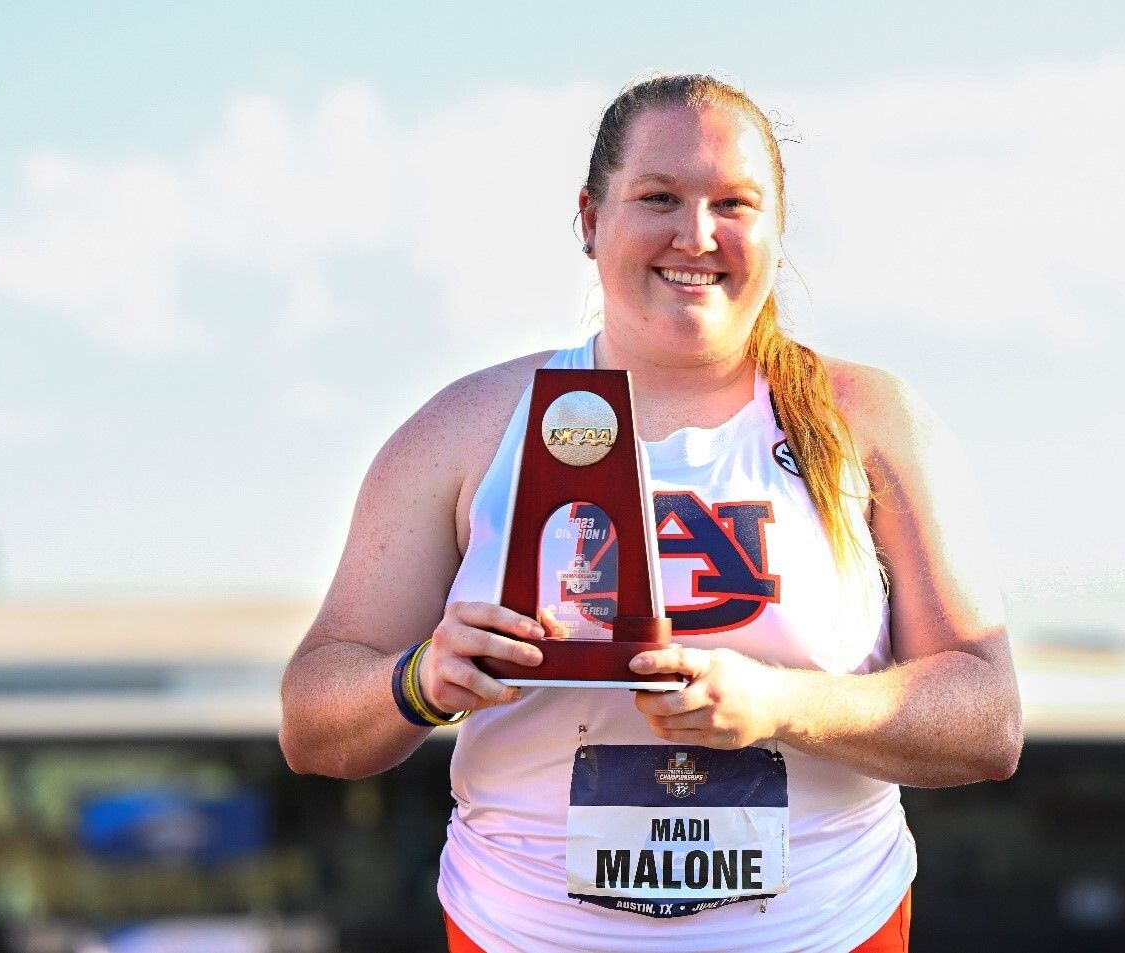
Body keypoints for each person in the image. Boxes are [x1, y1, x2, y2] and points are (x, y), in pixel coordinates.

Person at [280, 74, 1022, 953]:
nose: (696, 235)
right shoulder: (469, 428)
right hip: (522, 934)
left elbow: (988, 718)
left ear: (779, 232)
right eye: (659, 197)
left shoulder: (871, 420)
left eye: (734, 204)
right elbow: (310, 721)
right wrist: (421, 677)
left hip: (826, 931)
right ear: (591, 218)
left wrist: (783, 704)